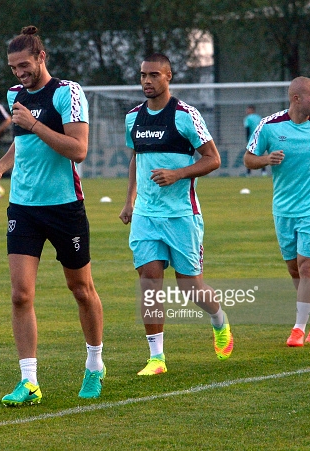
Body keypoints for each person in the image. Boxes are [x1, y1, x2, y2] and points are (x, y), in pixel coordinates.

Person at [0, 26, 105, 404]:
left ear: (41, 57)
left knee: (81, 290)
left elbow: (77, 149)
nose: (19, 74)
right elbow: (24, 144)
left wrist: (34, 123)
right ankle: (29, 381)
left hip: (65, 206)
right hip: (23, 207)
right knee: (20, 295)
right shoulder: (15, 95)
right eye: (13, 68)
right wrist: (0, 167)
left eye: (24, 65)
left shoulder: (68, 93)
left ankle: (95, 365)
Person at [119, 53, 234, 376]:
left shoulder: (185, 115)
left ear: (168, 77)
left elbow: (213, 159)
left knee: (190, 286)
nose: (147, 81)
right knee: (150, 279)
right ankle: (157, 358)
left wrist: (178, 173)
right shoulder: (133, 118)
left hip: (182, 215)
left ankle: (218, 320)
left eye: (154, 75)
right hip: (145, 215)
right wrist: (130, 200)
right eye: (143, 75)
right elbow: (135, 158)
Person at [244, 76, 310, 347]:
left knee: (306, 267)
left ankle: (297, 329)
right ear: (296, 99)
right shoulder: (269, 126)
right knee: (294, 270)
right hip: (283, 208)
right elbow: (248, 158)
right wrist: (266, 159)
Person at [243, 105, 266, 176]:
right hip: (260, 138)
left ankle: (248, 173)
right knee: (260, 154)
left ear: (252, 110)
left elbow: (247, 128)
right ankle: (264, 172)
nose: (246, 111)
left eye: (248, 109)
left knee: (249, 155)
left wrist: (247, 139)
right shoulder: (259, 117)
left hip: (252, 138)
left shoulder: (248, 118)